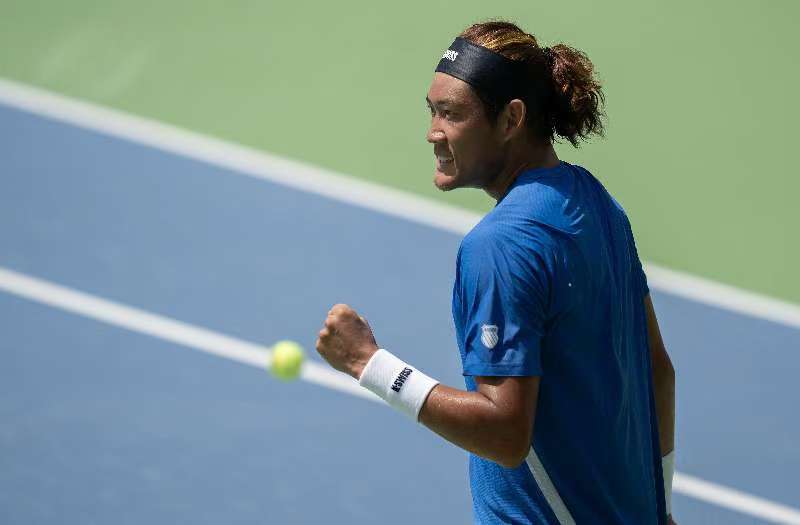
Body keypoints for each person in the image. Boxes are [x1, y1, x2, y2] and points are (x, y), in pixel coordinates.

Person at [315, 20, 676, 525]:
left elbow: (505, 435)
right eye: (432, 110)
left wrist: (367, 363)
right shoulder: (597, 202)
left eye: (452, 114)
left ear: (511, 119)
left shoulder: (500, 246)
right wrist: (660, 508)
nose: (432, 132)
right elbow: (658, 370)